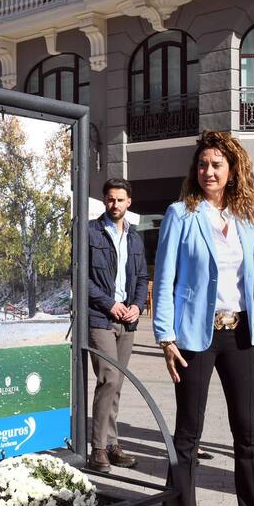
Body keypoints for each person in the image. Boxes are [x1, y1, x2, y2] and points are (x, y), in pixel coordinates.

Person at [154, 131, 254, 506]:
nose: (208, 171)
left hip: (239, 333)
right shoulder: (180, 214)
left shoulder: (248, 214)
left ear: (232, 169)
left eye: (216, 165)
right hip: (193, 336)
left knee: (247, 431)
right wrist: (165, 336)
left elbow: (250, 275)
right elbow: (164, 278)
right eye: (203, 164)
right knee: (188, 432)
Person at [87, 178, 148, 473]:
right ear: (104, 201)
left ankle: (112, 444)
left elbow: (140, 278)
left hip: (129, 320)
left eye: (120, 199)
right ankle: (97, 448)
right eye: (110, 199)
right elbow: (81, 278)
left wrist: (138, 305)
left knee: (118, 384)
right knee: (108, 379)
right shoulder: (89, 232)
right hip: (100, 317)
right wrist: (108, 303)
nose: (115, 204)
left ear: (129, 202)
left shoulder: (135, 238)